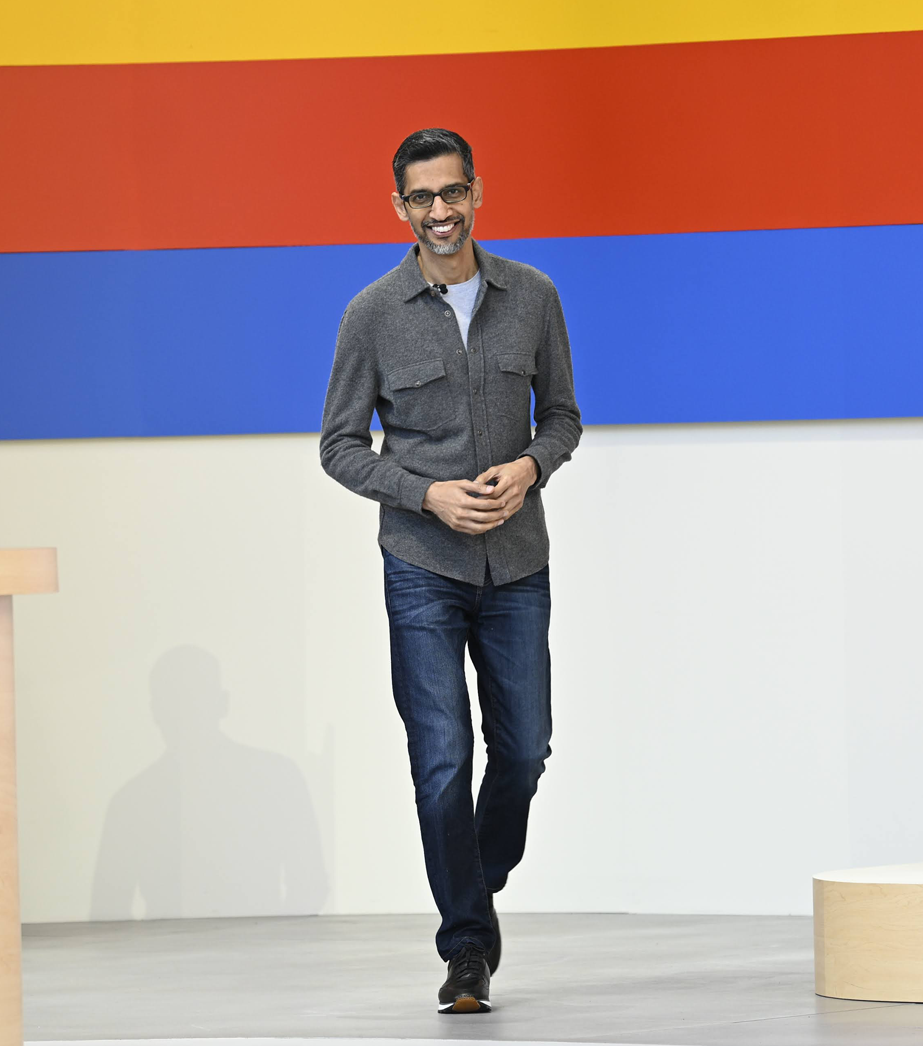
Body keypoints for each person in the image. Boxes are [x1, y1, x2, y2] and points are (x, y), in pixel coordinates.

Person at [319, 127, 582, 1014]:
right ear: (399, 207)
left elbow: (565, 420)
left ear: (477, 193)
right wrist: (426, 495)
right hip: (422, 565)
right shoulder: (372, 313)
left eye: (452, 193)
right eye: (422, 198)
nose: (440, 211)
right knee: (440, 760)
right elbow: (340, 448)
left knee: (524, 750)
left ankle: (474, 874)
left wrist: (532, 466)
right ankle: (466, 944)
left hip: (517, 563)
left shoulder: (534, 297)